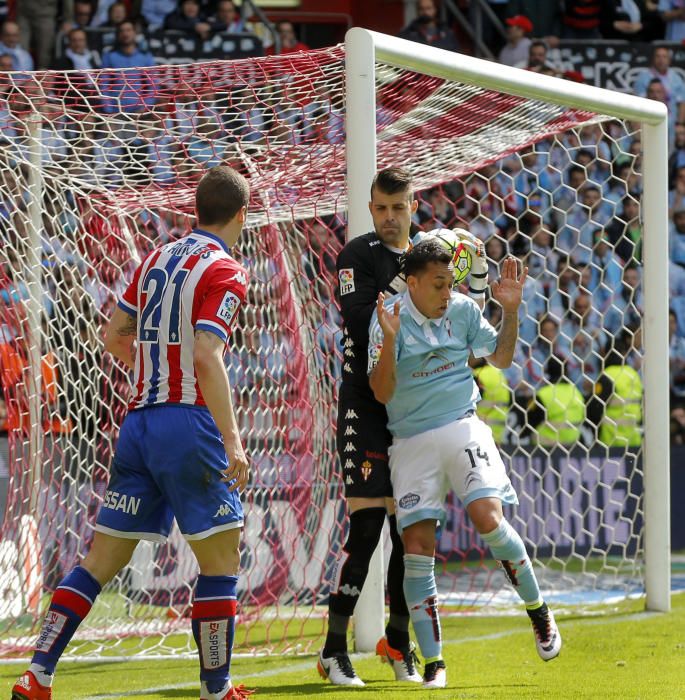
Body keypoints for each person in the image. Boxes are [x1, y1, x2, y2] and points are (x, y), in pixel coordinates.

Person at [12, 166, 255, 700]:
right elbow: (207, 356)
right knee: (220, 564)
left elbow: (112, 335)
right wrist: (232, 441)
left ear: (196, 209)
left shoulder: (155, 258)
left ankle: (36, 676)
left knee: (98, 562)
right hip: (188, 423)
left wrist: (152, 371)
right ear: (242, 215)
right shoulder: (226, 269)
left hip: (138, 423)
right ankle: (217, 689)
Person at [317, 167, 487, 687]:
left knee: (408, 530)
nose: (389, 218)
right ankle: (332, 648)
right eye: (380, 209)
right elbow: (365, 321)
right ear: (370, 210)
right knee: (368, 528)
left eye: (398, 208)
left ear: (414, 206)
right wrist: (417, 266)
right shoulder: (357, 256)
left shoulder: (434, 258)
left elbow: (460, 313)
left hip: (412, 410)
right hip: (366, 404)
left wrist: (473, 266)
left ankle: (396, 640)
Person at [368, 240, 561, 688]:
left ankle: (539, 611)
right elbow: (381, 393)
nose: (446, 292)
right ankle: (435, 663)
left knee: (488, 518)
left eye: (450, 283)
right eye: (438, 284)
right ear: (412, 283)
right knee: (416, 549)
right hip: (411, 437)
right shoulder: (388, 318)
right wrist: (391, 340)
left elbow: (502, 359)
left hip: (461, 423)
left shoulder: (463, 310)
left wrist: (509, 311)